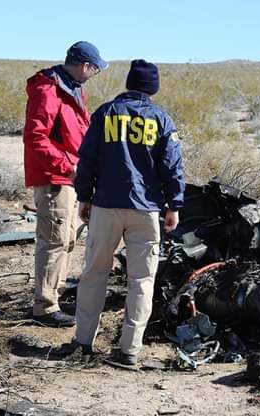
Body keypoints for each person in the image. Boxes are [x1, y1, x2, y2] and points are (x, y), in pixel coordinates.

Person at [73, 59, 185, 365]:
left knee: (94, 273)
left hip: (105, 206)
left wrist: (84, 197)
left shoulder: (106, 113)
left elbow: (87, 160)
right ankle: (130, 350)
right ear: (152, 88)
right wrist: (174, 205)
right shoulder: (161, 119)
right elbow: (172, 167)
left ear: (128, 83)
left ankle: (83, 342)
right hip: (145, 210)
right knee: (142, 281)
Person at [23, 41, 108, 327]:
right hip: (55, 178)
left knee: (67, 239)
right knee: (54, 240)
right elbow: (35, 137)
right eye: (95, 68)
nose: (94, 73)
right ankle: (45, 307)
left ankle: (54, 295)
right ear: (85, 66)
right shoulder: (48, 89)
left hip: (68, 176)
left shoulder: (70, 88)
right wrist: (68, 167)